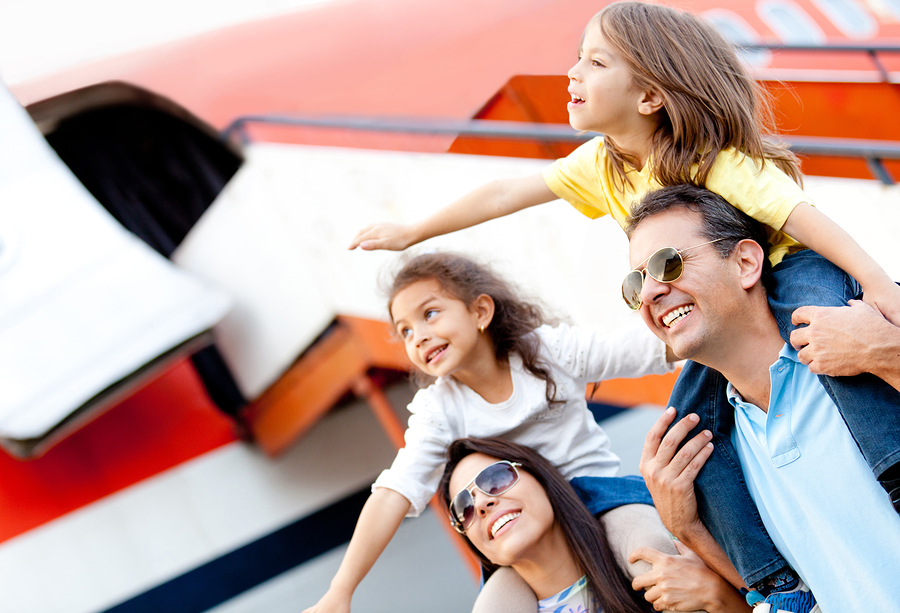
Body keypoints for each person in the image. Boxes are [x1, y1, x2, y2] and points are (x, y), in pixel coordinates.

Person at [348, 4, 900, 604]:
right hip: (724, 295)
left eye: (595, 61)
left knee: (840, 348)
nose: (572, 73)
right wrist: (414, 231)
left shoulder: (710, 160)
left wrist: (875, 283)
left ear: (649, 97)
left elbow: (801, 216)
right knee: (689, 437)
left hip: (788, 266)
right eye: (577, 58)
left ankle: (892, 469)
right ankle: (776, 585)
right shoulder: (601, 167)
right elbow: (508, 189)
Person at [303, 252, 677, 613]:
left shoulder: (547, 353)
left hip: (600, 503)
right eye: (405, 331)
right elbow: (393, 493)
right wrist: (341, 591)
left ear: (480, 311)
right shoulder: (440, 410)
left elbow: (641, 350)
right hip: (516, 532)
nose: (417, 336)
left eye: (430, 314)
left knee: (652, 556)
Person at [627, 184, 900, 612]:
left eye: (668, 263)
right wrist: (687, 526)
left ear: (746, 262)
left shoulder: (872, 327)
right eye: (634, 284)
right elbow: (785, 598)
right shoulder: (714, 459)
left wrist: (890, 355)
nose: (648, 294)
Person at [439, 437, 749, 613]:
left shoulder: (674, 547)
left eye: (495, 479)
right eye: (463, 508)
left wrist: (716, 594)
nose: (481, 504)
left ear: (544, 480)